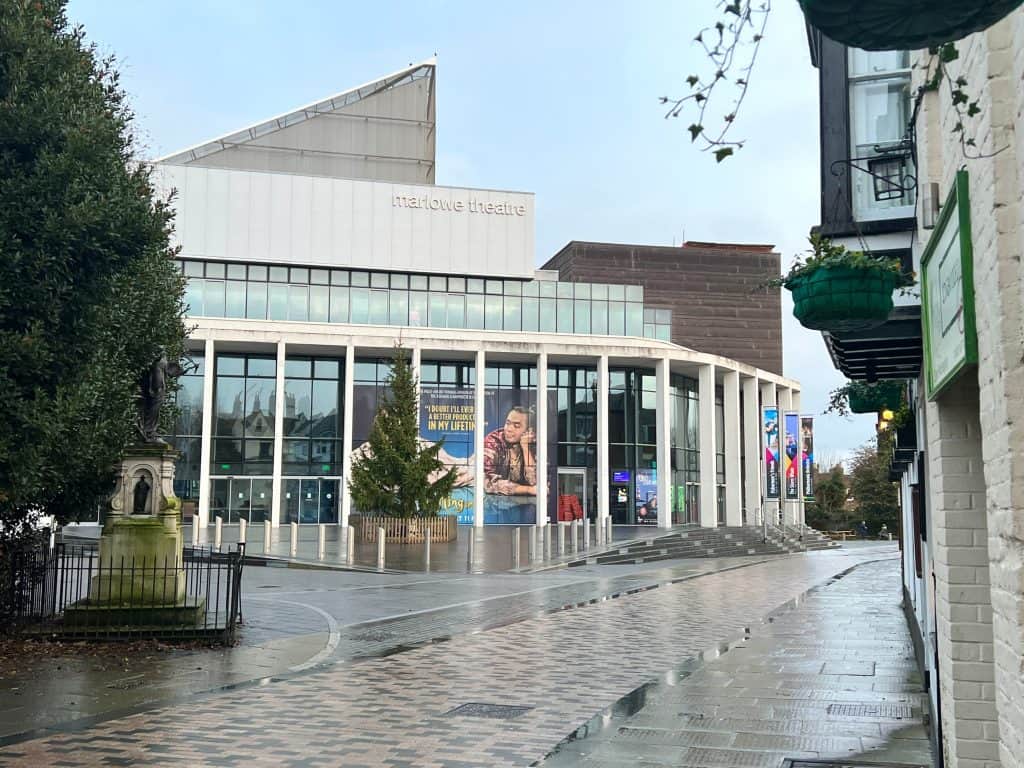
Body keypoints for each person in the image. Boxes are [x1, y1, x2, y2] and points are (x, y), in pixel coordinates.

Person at [483, 406, 536, 495]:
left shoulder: (536, 444)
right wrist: (528, 490)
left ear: (529, 431)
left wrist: (526, 448)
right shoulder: (492, 441)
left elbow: (536, 482)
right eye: (507, 423)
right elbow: (487, 482)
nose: (509, 429)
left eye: (516, 426)